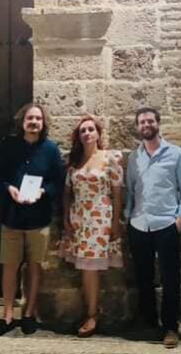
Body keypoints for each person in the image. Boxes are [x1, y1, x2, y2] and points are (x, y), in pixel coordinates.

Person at [0, 103, 64, 337]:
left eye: (38, 119)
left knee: (34, 267)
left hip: (39, 219)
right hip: (11, 218)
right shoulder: (8, 146)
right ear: (22, 121)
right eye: (30, 118)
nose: (34, 122)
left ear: (43, 123)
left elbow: (58, 181)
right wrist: (9, 188)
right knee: (9, 267)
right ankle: (7, 315)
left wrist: (43, 191)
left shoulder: (51, 150)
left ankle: (29, 314)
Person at [124, 107, 181, 349]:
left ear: (157, 123)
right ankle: (150, 321)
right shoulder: (134, 158)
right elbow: (130, 190)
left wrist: (180, 218)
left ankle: (170, 326)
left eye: (150, 121)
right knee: (143, 277)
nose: (146, 125)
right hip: (138, 224)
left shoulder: (175, 154)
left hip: (166, 224)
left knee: (170, 277)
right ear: (138, 127)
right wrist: (128, 216)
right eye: (142, 122)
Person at [58, 115, 124, 338]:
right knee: (84, 268)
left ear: (98, 134)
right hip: (79, 219)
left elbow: (117, 193)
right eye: (83, 131)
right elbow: (67, 192)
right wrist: (66, 219)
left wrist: (115, 223)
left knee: (90, 269)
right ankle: (91, 312)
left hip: (100, 220)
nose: (87, 133)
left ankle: (92, 315)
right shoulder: (74, 162)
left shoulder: (109, 159)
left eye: (90, 129)